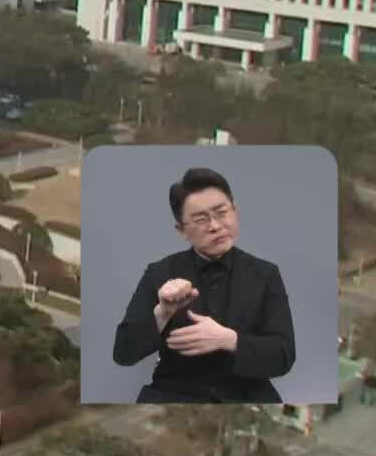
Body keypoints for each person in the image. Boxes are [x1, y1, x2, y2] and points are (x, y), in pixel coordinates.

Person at [112, 167, 296, 402]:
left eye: (221, 212)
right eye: (201, 219)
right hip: (175, 395)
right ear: (181, 231)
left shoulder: (266, 274)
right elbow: (123, 353)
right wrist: (162, 314)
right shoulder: (159, 272)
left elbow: (283, 355)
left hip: (246, 396)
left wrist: (227, 339)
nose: (215, 226)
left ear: (235, 211)